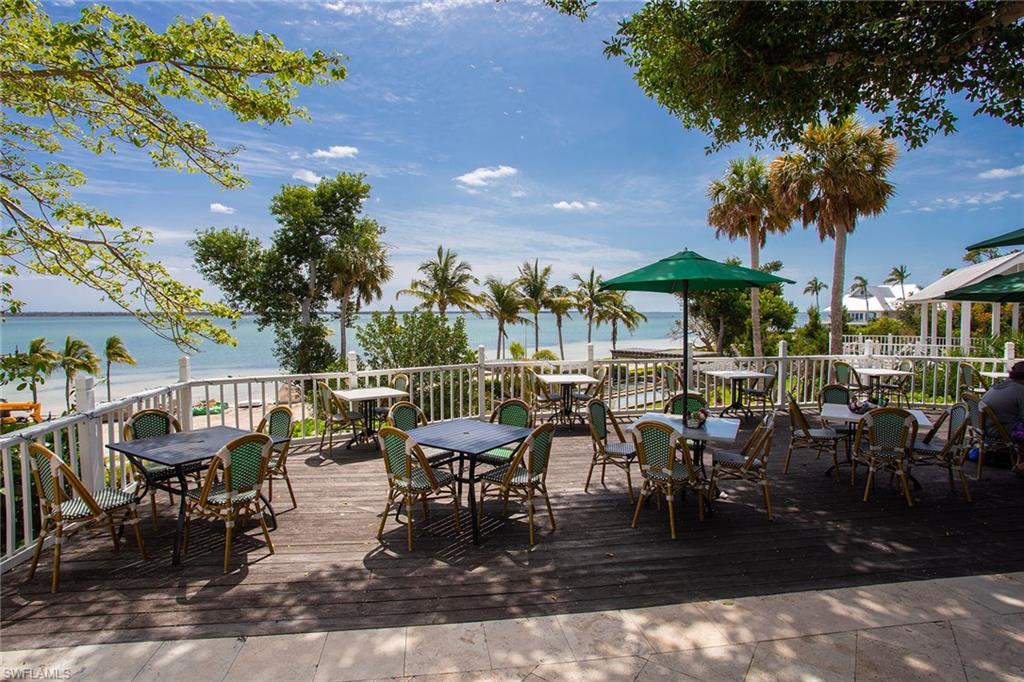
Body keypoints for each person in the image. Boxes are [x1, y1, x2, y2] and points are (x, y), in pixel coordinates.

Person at [981, 361, 1024, 476]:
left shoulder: (999, 386)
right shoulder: (1021, 390)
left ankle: (1020, 463)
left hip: (984, 427)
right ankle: (1021, 466)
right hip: (999, 430)